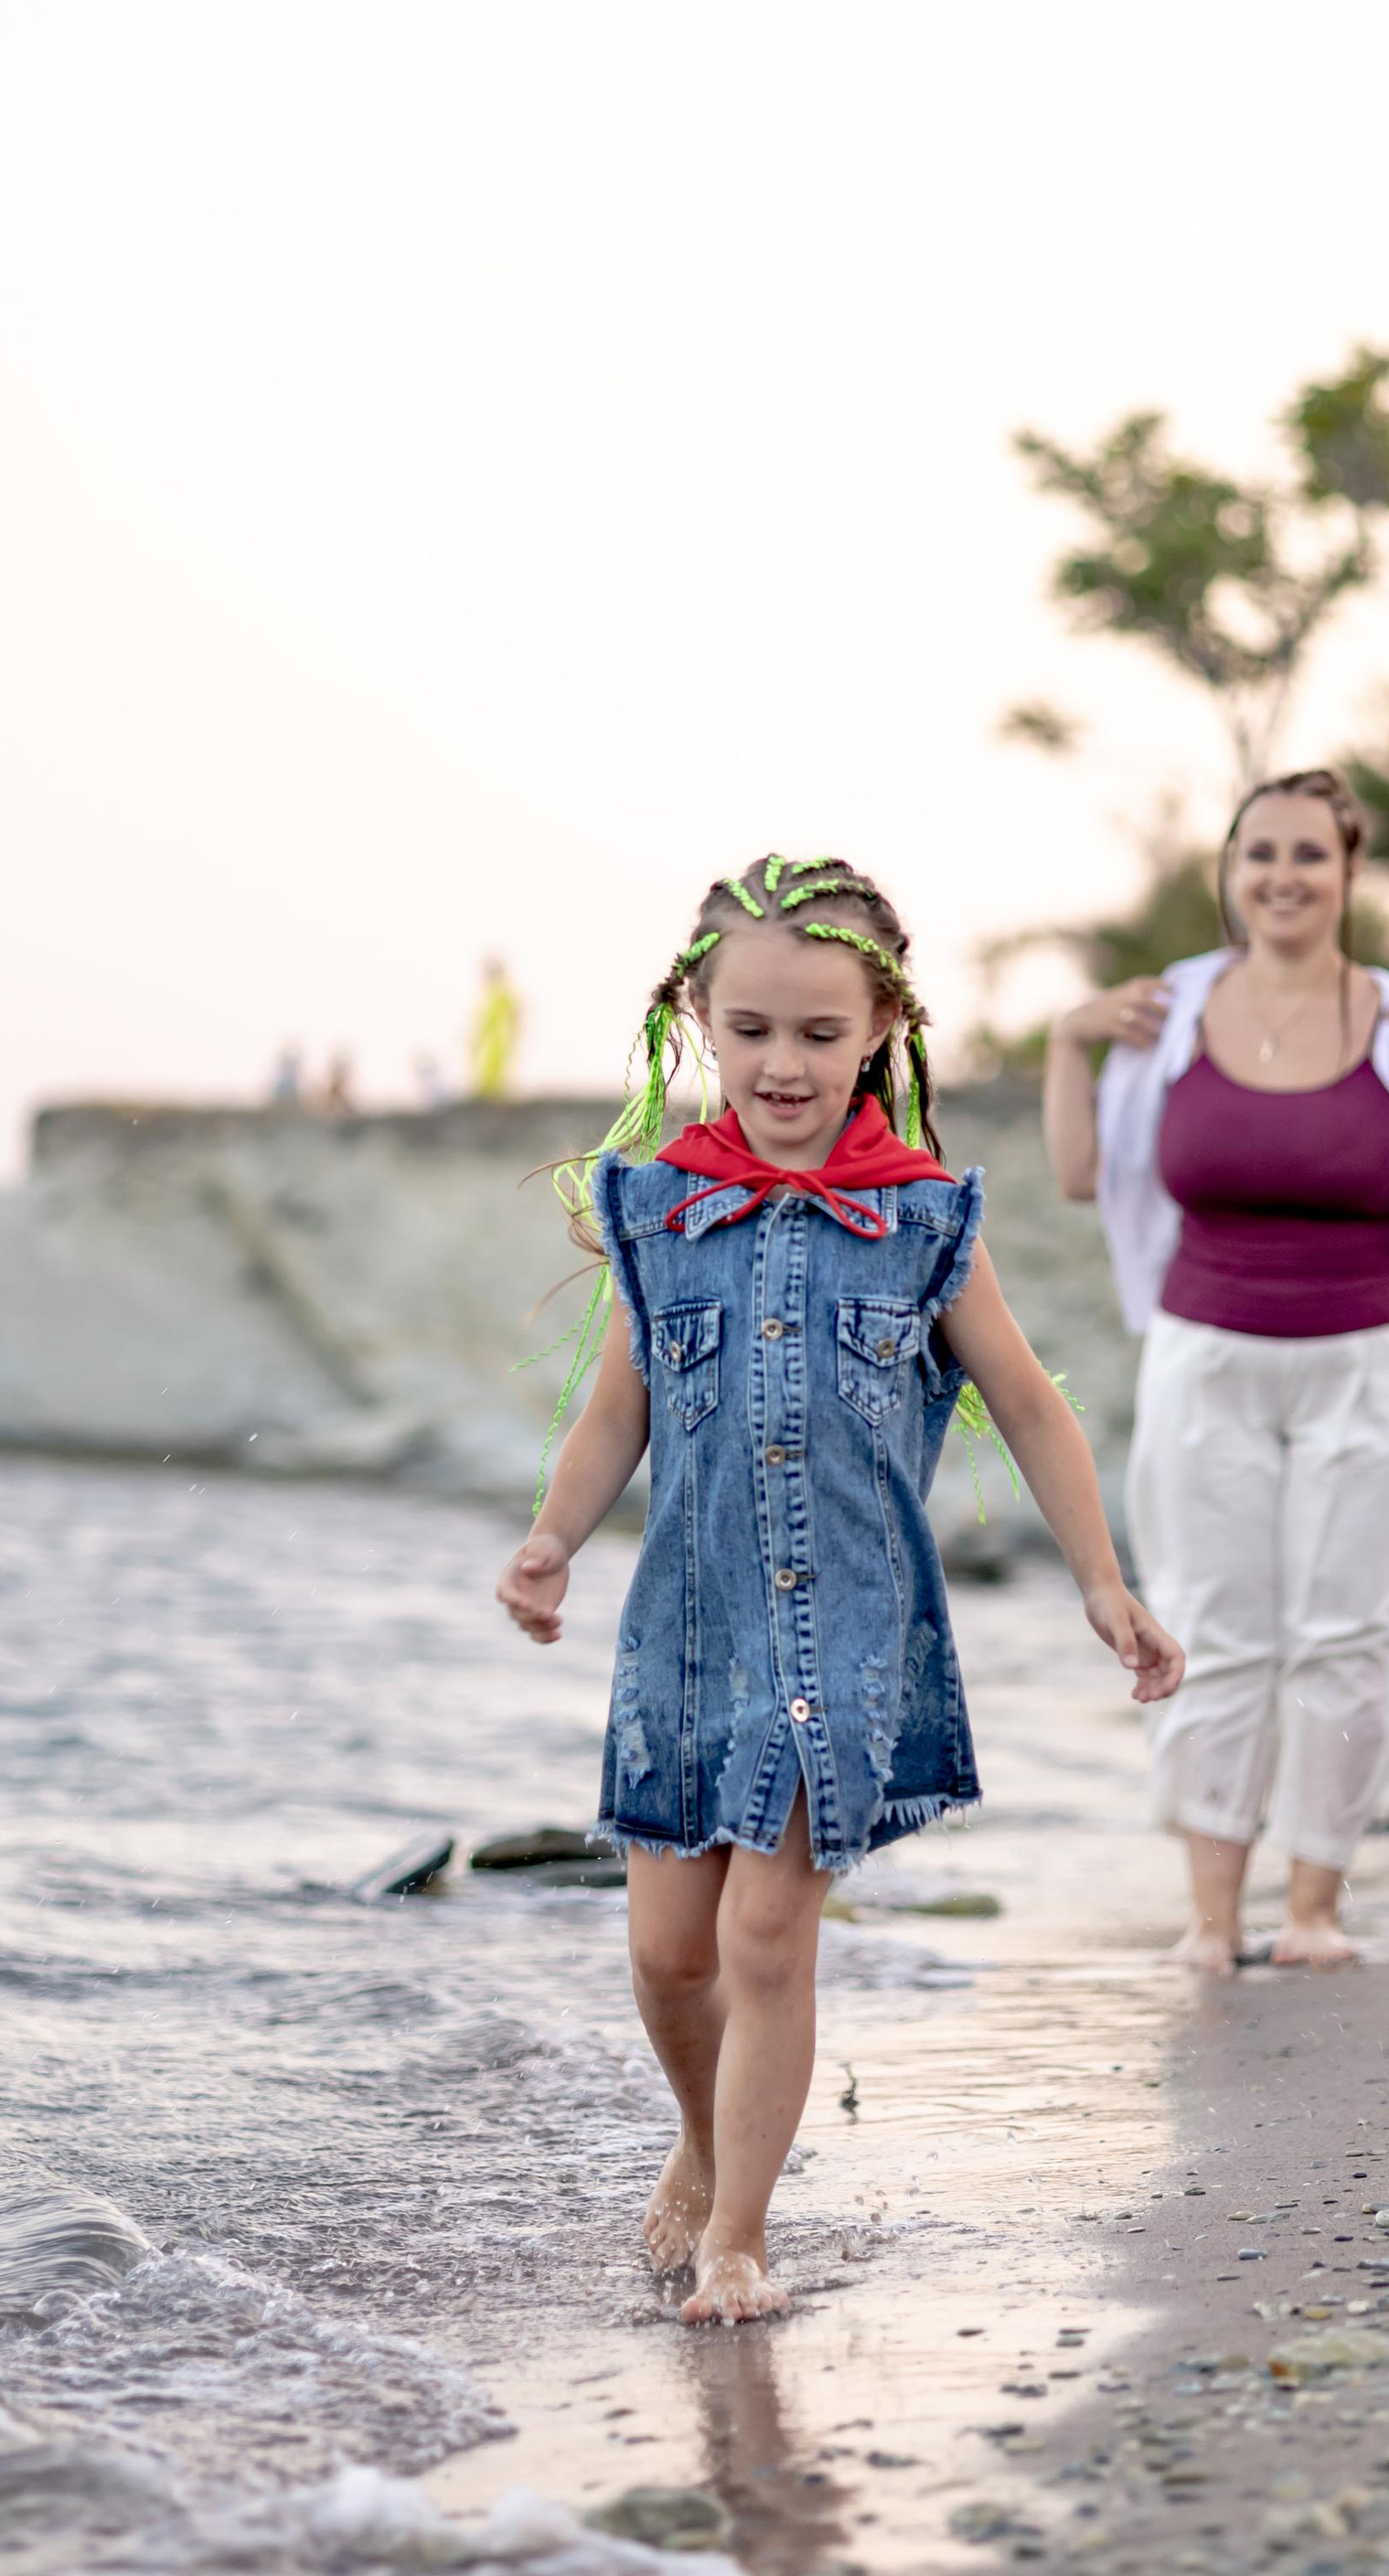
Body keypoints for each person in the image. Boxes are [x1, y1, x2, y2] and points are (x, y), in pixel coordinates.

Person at [496, 855, 1183, 2325]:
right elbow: (616, 1411)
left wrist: (1104, 1586)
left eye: (818, 1033)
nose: (782, 1063)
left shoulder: (922, 1219)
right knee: (667, 1952)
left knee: (763, 1936)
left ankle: (739, 2234)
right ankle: (700, 2141)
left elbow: (1036, 1406)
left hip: (847, 1634)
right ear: (697, 1017)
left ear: (881, 1027)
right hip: (682, 1633)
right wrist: (553, 1538)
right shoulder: (663, 1209)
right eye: (750, 1031)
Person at [1042, 767, 1389, 1976]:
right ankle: (1212, 1919)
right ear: (1230, 872)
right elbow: (1075, 1176)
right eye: (1260, 852)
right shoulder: (1166, 1021)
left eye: (1310, 854)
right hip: (1205, 1357)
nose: (1283, 876)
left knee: (1354, 1631)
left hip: (1371, 1360)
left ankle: (1314, 1909)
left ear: (1350, 874)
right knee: (1212, 1625)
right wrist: (1065, 1036)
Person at [471, 957, 521, 1099]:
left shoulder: (502, 995)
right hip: (490, 1044)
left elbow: (513, 1017)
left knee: (493, 1078)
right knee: (486, 1076)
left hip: (496, 1044)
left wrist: (511, 1036)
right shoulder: (492, 995)